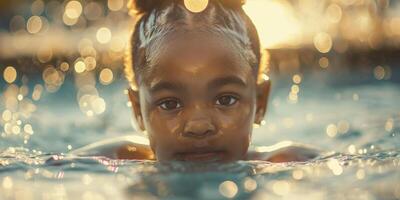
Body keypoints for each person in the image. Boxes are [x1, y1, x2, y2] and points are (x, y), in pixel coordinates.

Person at [71, 0, 320, 162]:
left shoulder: (287, 163)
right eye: (170, 104)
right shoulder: (116, 159)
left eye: (225, 99)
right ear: (138, 110)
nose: (198, 125)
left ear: (261, 102)